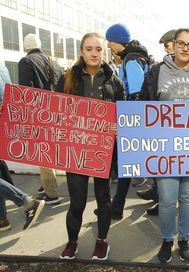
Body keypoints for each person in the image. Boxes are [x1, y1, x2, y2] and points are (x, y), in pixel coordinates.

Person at [139, 28, 189, 263]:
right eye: (181, 43)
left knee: (188, 197)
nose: (185, 48)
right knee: (167, 199)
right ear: (173, 45)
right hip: (164, 149)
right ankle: (166, 240)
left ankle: (184, 239)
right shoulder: (157, 71)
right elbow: (143, 105)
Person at [57, 32, 125, 260]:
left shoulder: (114, 81)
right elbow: (53, 111)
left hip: (104, 150)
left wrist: (118, 126)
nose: (94, 53)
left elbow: (123, 114)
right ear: (81, 51)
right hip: (75, 150)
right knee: (76, 202)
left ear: (103, 51)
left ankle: (101, 241)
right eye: (89, 49)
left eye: (98, 49)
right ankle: (72, 242)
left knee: (103, 199)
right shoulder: (68, 78)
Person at [104, 23, 149, 220]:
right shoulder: (135, 55)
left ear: (117, 40)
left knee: (123, 164)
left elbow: (136, 92)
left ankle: (116, 207)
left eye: (110, 41)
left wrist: (128, 121)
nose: (109, 45)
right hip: (131, 117)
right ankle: (115, 206)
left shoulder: (131, 60)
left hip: (130, 117)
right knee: (124, 164)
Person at [18, 33, 63, 205]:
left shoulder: (26, 61)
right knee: (50, 150)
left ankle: (51, 194)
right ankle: (46, 187)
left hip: (39, 114)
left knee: (43, 152)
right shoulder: (54, 62)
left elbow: (25, 91)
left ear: (26, 47)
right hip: (55, 113)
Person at [136, 29, 176, 216]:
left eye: (167, 45)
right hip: (161, 129)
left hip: (180, 133)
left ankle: (165, 202)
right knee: (163, 170)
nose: (166, 50)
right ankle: (161, 200)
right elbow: (145, 98)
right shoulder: (157, 70)